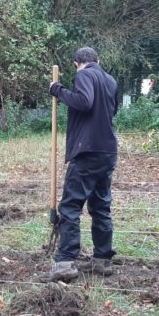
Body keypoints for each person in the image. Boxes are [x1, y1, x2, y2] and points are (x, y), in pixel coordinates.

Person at [45, 47, 120, 282]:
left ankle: (66, 260)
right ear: (99, 60)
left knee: (70, 206)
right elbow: (112, 110)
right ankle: (102, 259)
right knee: (100, 206)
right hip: (107, 151)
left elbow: (84, 102)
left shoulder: (84, 75)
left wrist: (58, 90)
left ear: (77, 63)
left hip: (86, 151)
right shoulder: (110, 80)